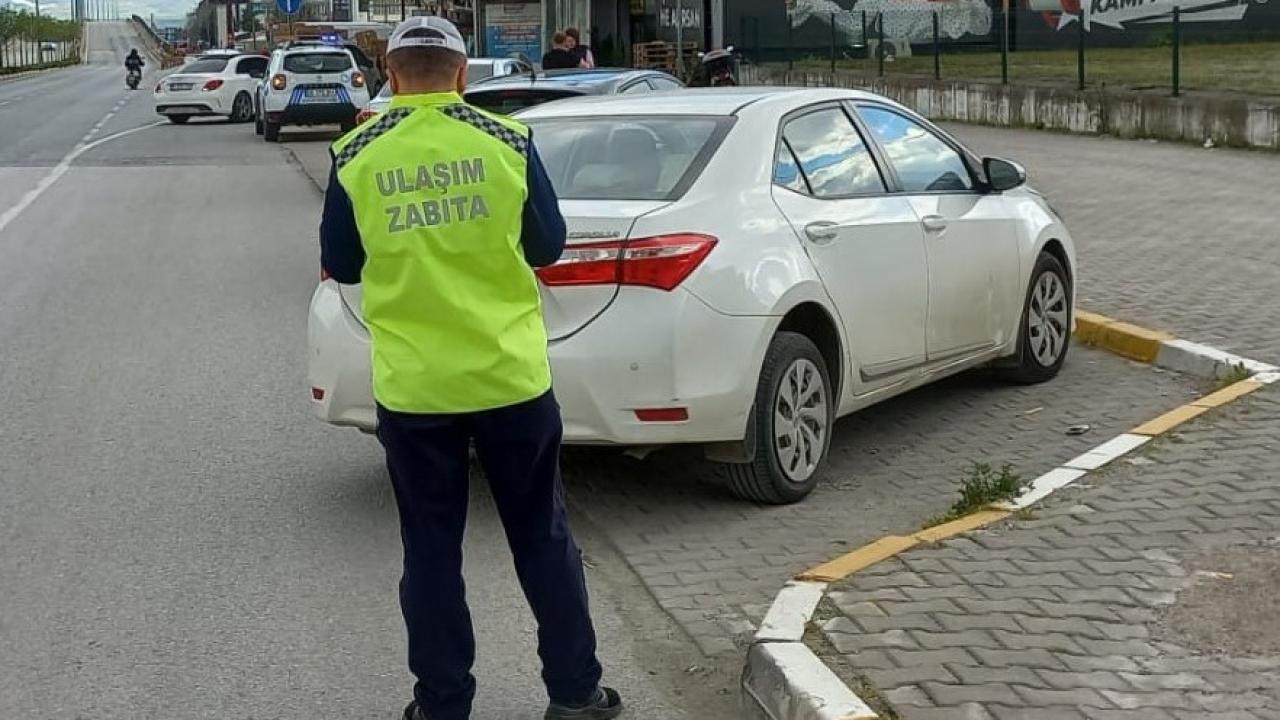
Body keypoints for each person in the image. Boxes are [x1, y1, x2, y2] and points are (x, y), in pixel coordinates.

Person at [318, 16, 623, 720]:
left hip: (416, 388)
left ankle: (443, 704)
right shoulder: (509, 142)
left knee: (430, 552)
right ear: (462, 76)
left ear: (391, 78)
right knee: (543, 538)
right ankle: (576, 694)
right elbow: (547, 246)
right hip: (510, 379)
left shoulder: (357, 152)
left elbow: (343, 262)